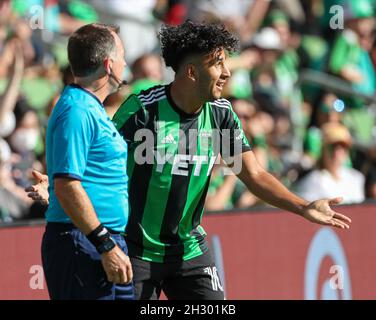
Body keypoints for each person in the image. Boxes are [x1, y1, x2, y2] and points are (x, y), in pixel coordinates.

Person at [28, 20, 351, 300]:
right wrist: (56, 191)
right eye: (218, 64)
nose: (227, 72)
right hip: (136, 250)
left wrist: (302, 206)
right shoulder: (143, 109)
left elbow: (253, 175)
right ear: (193, 71)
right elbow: (97, 158)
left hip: (189, 252)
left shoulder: (222, 116)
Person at [36, 23, 133, 300]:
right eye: (122, 55)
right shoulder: (77, 110)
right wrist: (104, 243)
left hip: (102, 241)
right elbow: (67, 185)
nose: (125, 62)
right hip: (86, 243)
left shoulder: (90, 107)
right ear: (108, 64)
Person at [295, 123, 365, 204]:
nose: (337, 153)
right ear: (323, 150)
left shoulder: (357, 178)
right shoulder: (312, 180)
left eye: (343, 147)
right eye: (332, 147)